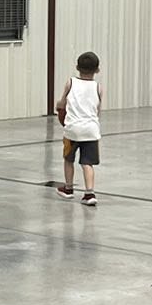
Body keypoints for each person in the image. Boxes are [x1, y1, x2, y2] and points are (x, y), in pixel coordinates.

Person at [55, 53, 104, 207]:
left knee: (68, 159)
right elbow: (97, 110)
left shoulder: (71, 83)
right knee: (87, 163)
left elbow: (62, 102)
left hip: (72, 130)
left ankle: (68, 188)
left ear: (77, 67)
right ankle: (89, 193)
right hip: (91, 130)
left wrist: (59, 107)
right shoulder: (98, 87)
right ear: (97, 70)